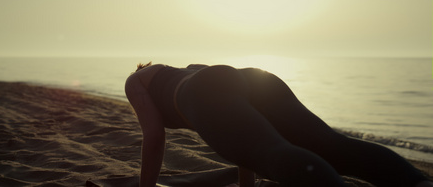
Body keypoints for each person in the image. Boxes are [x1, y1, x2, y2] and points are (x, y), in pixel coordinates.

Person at [125, 62, 433, 187]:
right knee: (331, 144)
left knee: (273, 152)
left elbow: (153, 137)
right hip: (251, 77)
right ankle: (416, 182)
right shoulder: (184, 69)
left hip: (208, 87)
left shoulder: (135, 81)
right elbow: (242, 140)